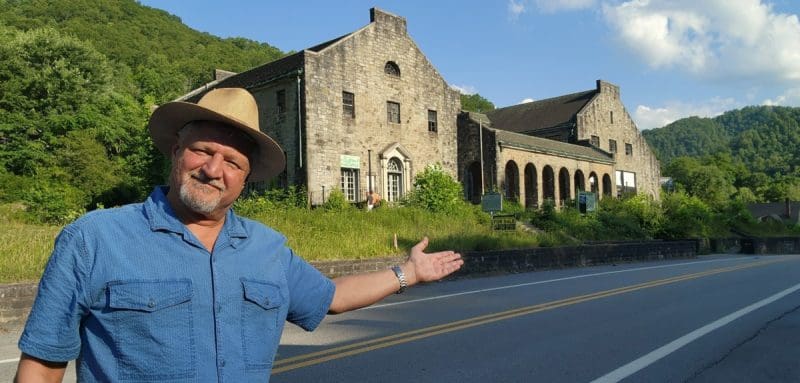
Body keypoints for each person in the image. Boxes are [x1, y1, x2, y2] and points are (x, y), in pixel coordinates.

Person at [14, 88, 463, 382]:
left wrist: (407, 273)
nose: (213, 169)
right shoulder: (94, 239)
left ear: (246, 178)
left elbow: (332, 297)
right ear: (176, 151)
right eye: (203, 151)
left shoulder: (266, 248)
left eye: (232, 162)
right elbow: (43, 363)